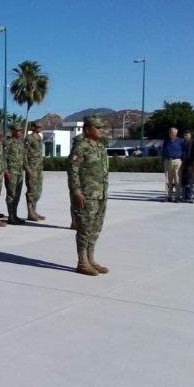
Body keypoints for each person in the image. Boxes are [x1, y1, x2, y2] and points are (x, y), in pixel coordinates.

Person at [67, 115, 109, 276]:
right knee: (84, 230)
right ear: (88, 129)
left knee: (95, 229)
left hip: (100, 195)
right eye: (98, 128)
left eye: (101, 127)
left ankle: (91, 259)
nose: (101, 130)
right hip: (86, 196)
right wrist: (76, 191)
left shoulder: (100, 147)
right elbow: (73, 171)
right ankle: (82, 262)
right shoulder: (81, 147)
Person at [4, 122, 26, 224]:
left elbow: (23, 157)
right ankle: (10, 216)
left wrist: (27, 169)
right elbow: (3, 158)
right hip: (11, 172)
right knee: (11, 194)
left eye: (21, 130)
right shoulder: (8, 143)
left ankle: (15, 214)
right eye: (18, 130)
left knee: (17, 195)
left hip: (19, 172)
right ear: (12, 131)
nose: (20, 132)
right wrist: (6, 171)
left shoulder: (21, 143)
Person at [24, 120, 45, 221]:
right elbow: (25, 154)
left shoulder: (39, 138)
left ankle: (34, 210)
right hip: (32, 168)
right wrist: (27, 168)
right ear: (33, 128)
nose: (39, 129)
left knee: (38, 190)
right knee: (31, 190)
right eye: (37, 127)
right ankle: (30, 212)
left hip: (38, 168)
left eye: (40, 127)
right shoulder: (29, 138)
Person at [160, 127, 183, 202]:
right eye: (169, 132)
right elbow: (163, 152)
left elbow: (184, 152)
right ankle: (168, 196)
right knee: (168, 180)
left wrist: (183, 162)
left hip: (177, 161)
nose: (170, 134)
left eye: (172, 132)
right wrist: (163, 161)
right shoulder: (166, 141)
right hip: (167, 161)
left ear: (176, 133)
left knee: (177, 180)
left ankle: (178, 197)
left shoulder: (180, 141)